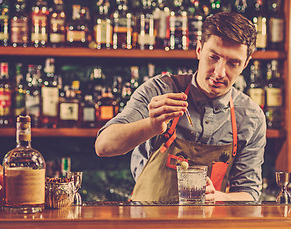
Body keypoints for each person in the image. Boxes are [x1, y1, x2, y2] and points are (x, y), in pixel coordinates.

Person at [95, 11, 266, 203]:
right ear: (199, 50)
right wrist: (152, 126)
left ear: (246, 63)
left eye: (233, 63)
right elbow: (104, 146)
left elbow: (249, 194)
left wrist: (218, 196)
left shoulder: (250, 116)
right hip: (146, 225)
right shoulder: (160, 89)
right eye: (214, 57)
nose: (219, 72)